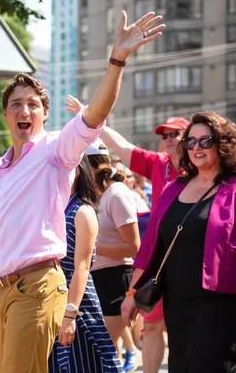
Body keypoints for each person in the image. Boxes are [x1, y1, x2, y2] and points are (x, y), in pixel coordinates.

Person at [0, 11, 165, 373]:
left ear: (43, 114)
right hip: (0, 290)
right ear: (7, 116)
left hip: (39, 285)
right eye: (16, 104)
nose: (24, 110)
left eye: (33, 105)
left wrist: (116, 60)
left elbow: (94, 116)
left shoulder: (55, 150)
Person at [66, 96, 181, 373]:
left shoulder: (205, 169)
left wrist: (91, 245)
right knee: (151, 327)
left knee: (184, 328)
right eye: (164, 135)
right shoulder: (159, 164)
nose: (168, 139)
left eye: (175, 134)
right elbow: (122, 144)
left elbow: (132, 245)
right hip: (158, 261)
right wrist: (89, 117)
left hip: (184, 261)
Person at [122, 111, 236, 372]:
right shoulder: (173, 189)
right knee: (181, 365)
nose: (197, 147)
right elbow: (151, 246)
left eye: (205, 141)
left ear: (222, 144)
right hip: (177, 303)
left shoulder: (233, 189)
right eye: (191, 142)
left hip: (220, 305)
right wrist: (132, 294)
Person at [48, 157, 122, 373]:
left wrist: (70, 314)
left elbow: (82, 267)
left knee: (85, 364)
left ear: (78, 171)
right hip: (52, 299)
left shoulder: (83, 211)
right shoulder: (53, 209)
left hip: (77, 302)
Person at [87, 145, 141, 371]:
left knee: (98, 355)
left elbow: (133, 247)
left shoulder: (117, 194)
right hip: (96, 280)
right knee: (104, 358)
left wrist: (90, 246)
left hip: (116, 280)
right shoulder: (97, 195)